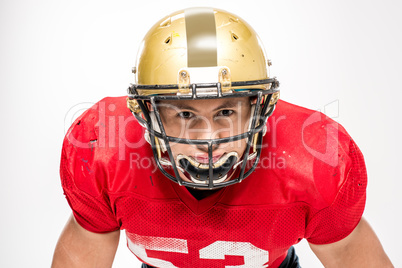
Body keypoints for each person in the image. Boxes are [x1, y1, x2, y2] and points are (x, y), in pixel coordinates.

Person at [51, 7, 393, 268]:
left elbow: (347, 250)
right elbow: (85, 246)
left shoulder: (312, 162)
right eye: (185, 114)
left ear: (259, 109)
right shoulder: (104, 153)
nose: (207, 137)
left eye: (226, 113)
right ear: (147, 113)